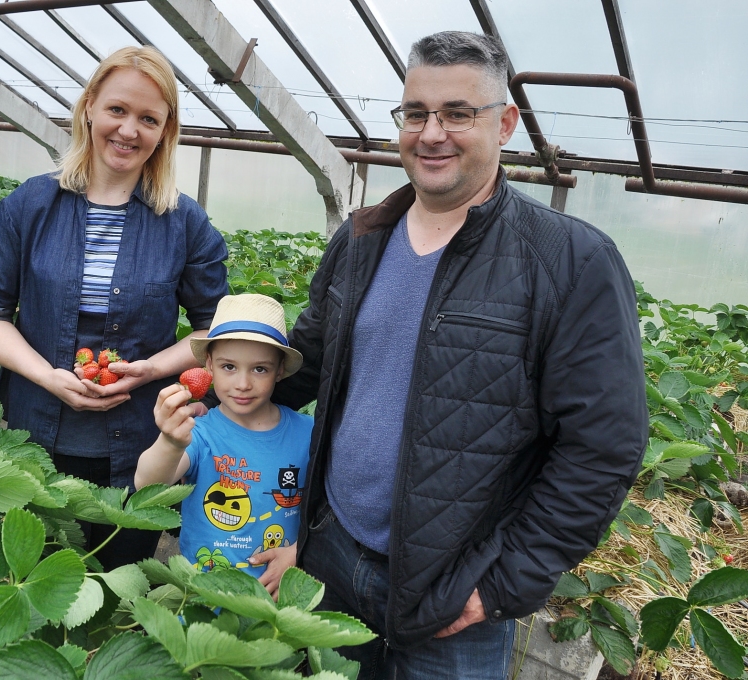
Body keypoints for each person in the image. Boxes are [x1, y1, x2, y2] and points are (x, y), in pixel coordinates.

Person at [271, 31, 648, 679]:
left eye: (457, 113)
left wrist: (502, 584)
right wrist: (201, 384)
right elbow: (305, 365)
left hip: (453, 591)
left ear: (503, 124)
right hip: (332, 557)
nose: (432, 132)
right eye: (415, 113)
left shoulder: (568, 260)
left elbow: (603, 445)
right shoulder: (361, 239)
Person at [0, 46, 228, 570]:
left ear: (164, 131)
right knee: (38, 577)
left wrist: (153, 368)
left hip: (141, 445)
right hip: (34, 431)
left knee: (116, 584)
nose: (129, 130)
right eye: (117, 110)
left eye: (148, 119)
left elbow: (215, 326)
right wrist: (46, 376)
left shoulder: (184, 222)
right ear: (89, 108)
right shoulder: (29, 206)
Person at [134, 294, 312, 597]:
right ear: (208, 367)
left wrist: (298, 551)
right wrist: (170, 440)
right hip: (201, 594)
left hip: (276, 591)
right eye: (229, 366)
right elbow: (148, 486)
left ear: (280, 370)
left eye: (260, 369)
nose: (243, 383)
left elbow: (324, 506)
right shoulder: (200, 432)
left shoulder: (307, 431)